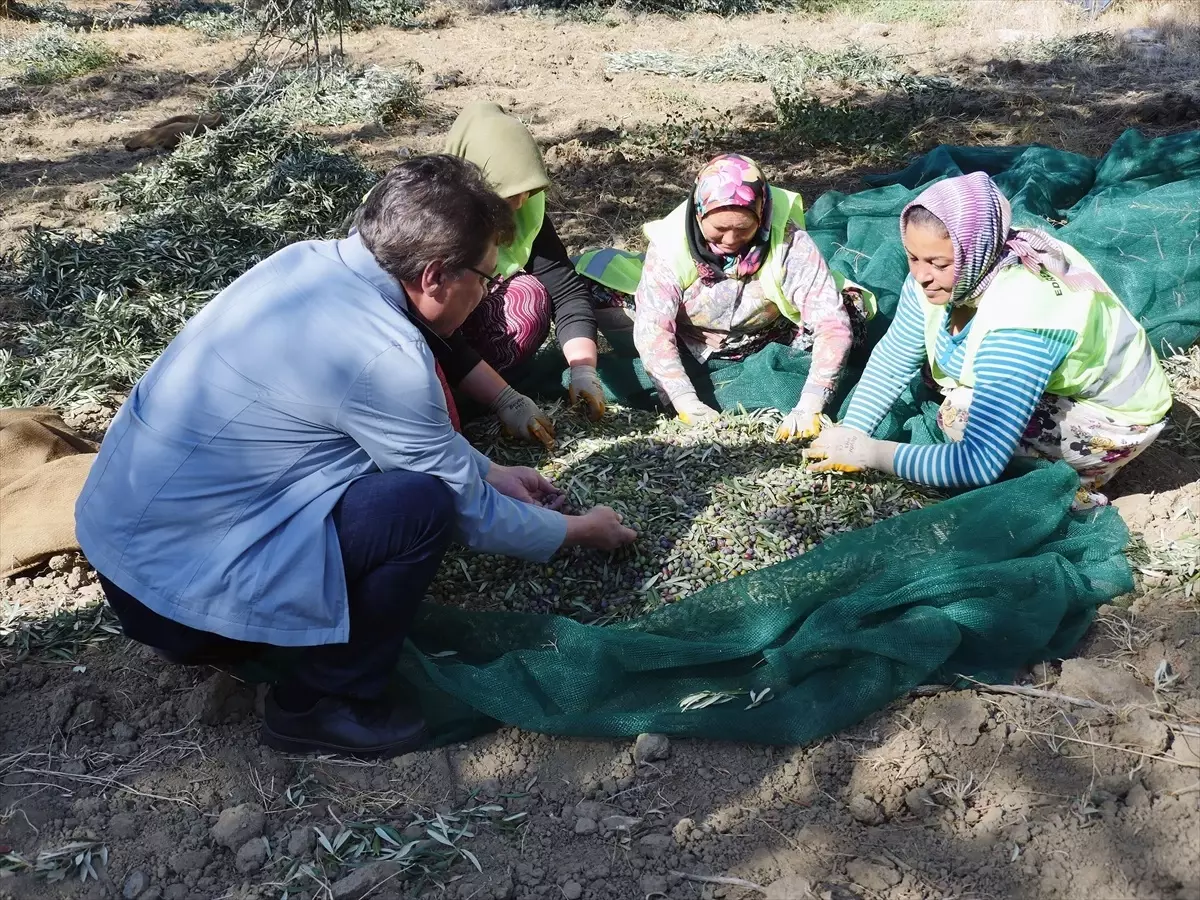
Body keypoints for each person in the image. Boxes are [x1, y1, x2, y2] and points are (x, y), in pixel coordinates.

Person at [74, 155, 637, 759]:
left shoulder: (305, 261)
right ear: (436, 275)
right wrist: (579, 531)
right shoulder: (384, 353)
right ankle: (321, 703)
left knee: (409, 480)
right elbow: (468, 514)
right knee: (419, 505)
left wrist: (492, 470)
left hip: (125, 552)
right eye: (485, 278)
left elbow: (405, 433)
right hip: (174, 601)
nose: (487, 294)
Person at [805, 171, 1172, 507]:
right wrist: (852, 431)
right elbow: (894, 357)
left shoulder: (1021, 316)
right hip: (1059, 385)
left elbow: (977, 463)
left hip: (1118, 420)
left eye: (939, 264)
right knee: (953, 389)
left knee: (959, 413)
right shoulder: (956, 273)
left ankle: (1075, 483)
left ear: (974, 249)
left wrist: (870, 453)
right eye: (913, 258)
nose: (922, 275)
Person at [626, 153, 871, 440]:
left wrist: (811, 403)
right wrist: (684, 401)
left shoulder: (788, 239)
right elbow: (653, 328)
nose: (730, 241)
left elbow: (831, 321)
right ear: (698, 214)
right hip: (690, 337)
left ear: (762, 214)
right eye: (718, 231)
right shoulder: (669, 245)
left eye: (743, 229)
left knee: (851, 313)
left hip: (767, 332)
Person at [440, 101, 606, 449]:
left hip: (465, 330)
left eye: (525, 193)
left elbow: (566, 291)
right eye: (506, 197)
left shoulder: (523, 209)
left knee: (527, 298)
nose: (517, 207)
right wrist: (505, 400)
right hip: (421, 342)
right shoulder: (430, 221)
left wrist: (582, 369)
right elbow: (434, 329)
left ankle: (478, 389)